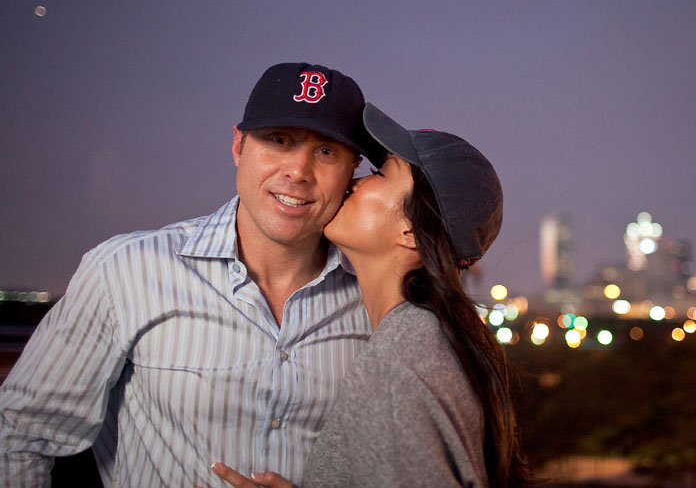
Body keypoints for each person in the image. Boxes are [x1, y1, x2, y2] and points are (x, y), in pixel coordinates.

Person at [0, 63, 375, 487]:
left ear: (353, 170)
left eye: (326, 152)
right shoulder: (126, 270)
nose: (298, 172)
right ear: (238, 145)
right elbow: (18, 437)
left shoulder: (374, 301)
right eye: (279, 140)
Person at [210, 104, 529, 488]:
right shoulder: (426, 338)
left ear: (411, 231)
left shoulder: (399, 360)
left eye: (380, 175)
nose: (355, 183)